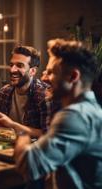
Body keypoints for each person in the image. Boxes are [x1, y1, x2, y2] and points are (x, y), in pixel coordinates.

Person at [14, 39, 102, 188]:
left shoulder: (76, 115)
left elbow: (28, 165)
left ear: (73, 77)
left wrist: (22, 134)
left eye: (51, 72)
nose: (43, 78)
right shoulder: (90, 110)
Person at [0, 45, 49, 138]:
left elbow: (47, 135)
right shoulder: (4, 92)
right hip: (6, 146)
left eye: (19, 65)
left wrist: (12, 125)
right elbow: (2, 129)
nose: (12, 70)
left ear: (32, 71)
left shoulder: (44, 94)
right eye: (11, 65)